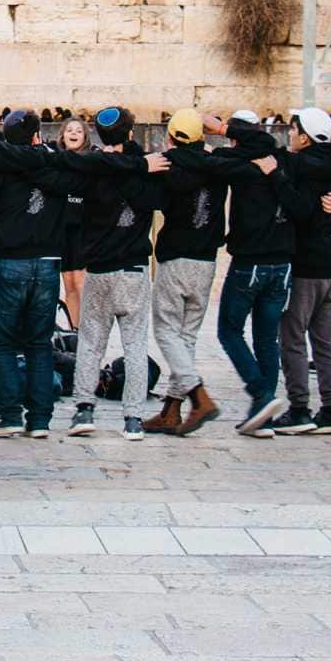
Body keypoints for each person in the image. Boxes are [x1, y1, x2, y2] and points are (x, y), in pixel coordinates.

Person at [0, 110, 87, 439]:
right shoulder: (56, 165)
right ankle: (40, 420)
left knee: (3, 344)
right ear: (37, 136)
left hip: (10, 261)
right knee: (39, 344)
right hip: (48, 262)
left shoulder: (1, 169)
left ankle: (10, 415)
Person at [57, 107, 168, 441]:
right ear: (130, 134)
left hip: (101, 271)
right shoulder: (148, 167)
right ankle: (133, 418)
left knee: (91, 344)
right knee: (135, 347)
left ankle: (84, 410)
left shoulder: (93, 169)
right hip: (134, 270)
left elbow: (78, 164)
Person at [202, 111, 298, 438]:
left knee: (229, 331)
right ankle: (263, 417)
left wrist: (220, 131)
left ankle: (261, 393)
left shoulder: (240, 166)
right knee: (265, 339)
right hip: (281, 264)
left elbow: (252, 145)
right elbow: (264, 142)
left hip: (251, 263)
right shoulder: (280, 162)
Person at [269, 109, 331, 436]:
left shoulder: (303, 167)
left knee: (291, 339)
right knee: (326, 341)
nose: (289, 135)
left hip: (307, 267)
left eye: (293, 131)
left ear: (304, 137)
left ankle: (300, 409)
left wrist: (277, 178)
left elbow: (302, 210)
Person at [142, 110, 228, 438]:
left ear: (172, 138)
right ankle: (171, 410)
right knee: (187, 337)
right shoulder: (217, 165)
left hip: (177, 257)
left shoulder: (169, 167)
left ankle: (198, 396)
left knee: (166, 332)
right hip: (206, 261)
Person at [55, 116, 90, 330]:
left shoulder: (90, 162)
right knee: (68, 284)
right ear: (63, 136)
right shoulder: (57, 162)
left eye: (78, 130)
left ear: (85, 136)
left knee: (81, 282)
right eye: (70, 130)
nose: (74, 133)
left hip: (83, 230)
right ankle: (74, 331)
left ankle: (88, 332)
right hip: (63, 230)